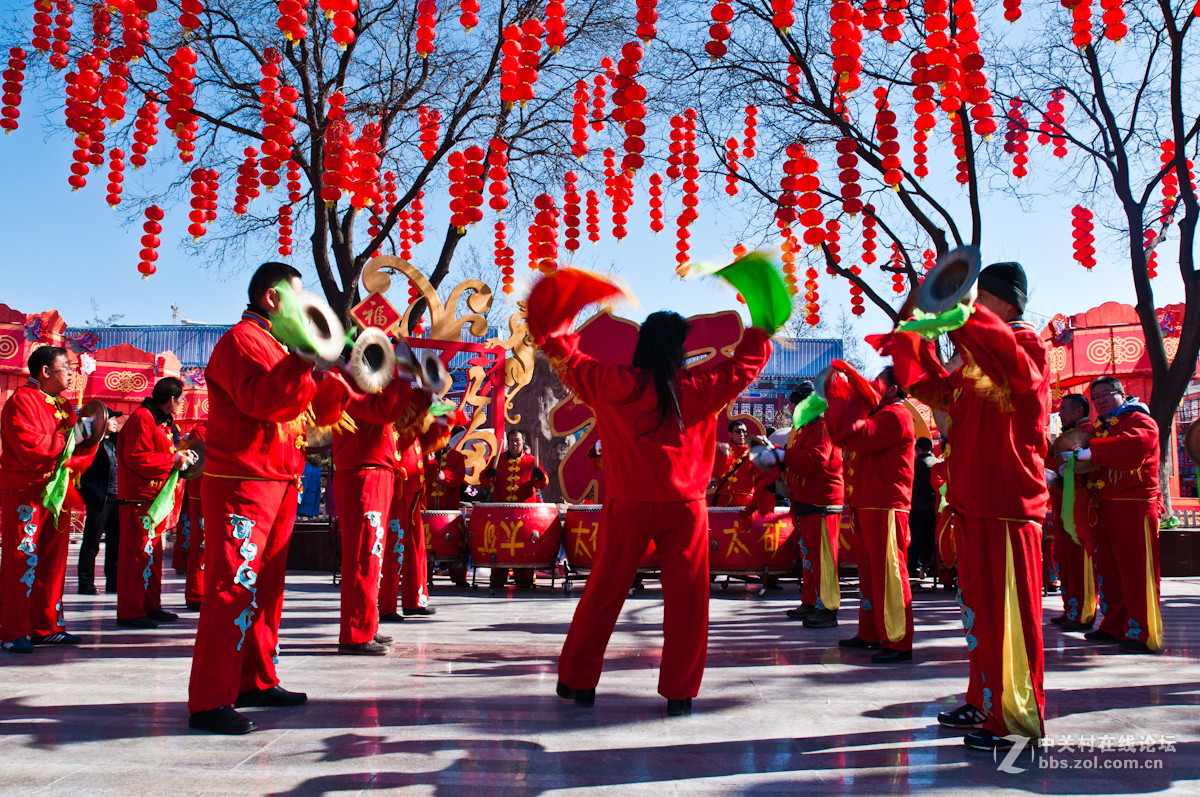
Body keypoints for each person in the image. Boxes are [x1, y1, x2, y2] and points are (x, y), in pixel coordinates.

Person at [542, 308, 773, 715]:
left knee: (603, 591)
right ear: (681, 349)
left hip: (628, 502)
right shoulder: (701, 385)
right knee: (688, 600)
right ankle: (680, 693)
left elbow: (569, 361)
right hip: (686, 508)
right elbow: (746, 364)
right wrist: (759, 328)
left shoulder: (615, 383)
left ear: (642, 345)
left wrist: (556, 323)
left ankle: (577, 681)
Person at [890, 260, 1050, 751]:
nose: (970, 309)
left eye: (978, 300)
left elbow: (1011, 365)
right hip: (973, 505)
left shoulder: (1027, 347)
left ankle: (1017, 719)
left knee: (1010, 618)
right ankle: (984, 699)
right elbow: (924, 382)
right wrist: (913, 319)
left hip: (1007, 507)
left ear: (1002, 304)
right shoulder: (975, 364)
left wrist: (956, 311)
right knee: (980, 615)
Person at [187, 262, 350, 735]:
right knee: (233, 584)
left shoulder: (275, 345)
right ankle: (210, 700)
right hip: (242, 479)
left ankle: (255, 678)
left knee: (267, 590)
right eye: (298, 298)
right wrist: (303, 357)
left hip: (278, 478)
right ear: (273, 299)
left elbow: (313, 409)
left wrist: (336, 371)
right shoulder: (242, 340)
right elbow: (263, 400)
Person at [0, 346, 93, 652]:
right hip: (28, 489)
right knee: (22, 557)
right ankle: (11, 630)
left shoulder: (66, 406)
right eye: (66, 367)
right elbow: (31, 446)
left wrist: (90, 436)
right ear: (45, 371)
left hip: (59, 490)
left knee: (54, 560)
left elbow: (75, 452)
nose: (71, 373)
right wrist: (70, 438)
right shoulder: (21, 401)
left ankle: (47, 625)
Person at [332, 370, 428, 654]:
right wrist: (402, 377)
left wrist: (419, 392)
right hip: (363, 472)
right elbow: (385, 410)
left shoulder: (362, 382)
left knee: (372, 555)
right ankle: (355, 633)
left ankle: (367, 626)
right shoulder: (348, 381)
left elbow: (400, 415)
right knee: (363, 556)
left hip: (377, 472)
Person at [827, 366, 916, 664]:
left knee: (889, 573)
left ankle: (898, 640)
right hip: (868, 502)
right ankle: (870, 632)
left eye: (878, 383)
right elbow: (845, 439)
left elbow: (859, 438)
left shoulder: (896, 415)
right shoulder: (882, 414)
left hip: (887, 504)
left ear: (892, 389)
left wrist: (852, 405)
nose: (872, 388)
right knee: (870, 575)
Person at [1078, 376, 1162, 654]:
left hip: (1133, 505)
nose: (1100, 400)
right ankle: (1114, 624)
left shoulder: (1140, 419)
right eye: (1096, 397)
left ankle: (1142, 631)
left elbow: (1135, 446)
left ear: (1121, 394)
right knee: (1110, 571)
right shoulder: (1100, 427)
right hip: (1104, 506)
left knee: (1136, 570)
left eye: (1105, 394)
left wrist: (1093, 452)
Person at [116, 377, 191, 629]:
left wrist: (180, 457)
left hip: (153, 499)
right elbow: (136, 457)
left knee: (151, 556)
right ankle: (130, 611)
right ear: (171, 399)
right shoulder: (142, 418)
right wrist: (173, 460)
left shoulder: (162, 421)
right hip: (139, 498)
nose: (183, 403)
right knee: (136, 556)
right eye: (182, 398)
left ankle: (150, 605)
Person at [781, 382, 845, 628]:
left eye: (796, 404)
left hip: (823, 501)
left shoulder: (823, 426)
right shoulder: (804, 428)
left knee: (824, 559)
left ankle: (828, 608)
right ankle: (810, 601)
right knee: (809, 557)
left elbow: (815, 460)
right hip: (806, 499)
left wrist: (782, 455)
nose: (793, 408)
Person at [380, 414, 449, 618]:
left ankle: (415, 600)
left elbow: (433, 437)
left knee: (415, 548)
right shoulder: (391, 421)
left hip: (415, 491)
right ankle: (387, 606)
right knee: (394, 550)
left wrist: (440, 413)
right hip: (397, 491)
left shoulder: (413, 425)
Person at [1046, 393, 1096, 631]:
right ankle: (1071, 609)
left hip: (1078, 504)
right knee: (1064, 558)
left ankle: (1084, 612)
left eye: (1064, 409)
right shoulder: (1066, 435)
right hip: (1061, 501)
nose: (1060, 412)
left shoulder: (1089, 434)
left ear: (1079, 411)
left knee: (1078, 558)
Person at [481, 428, 550, 589]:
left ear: (523, 442)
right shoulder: (498, 459)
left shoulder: (531, 460)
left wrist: (540, 476)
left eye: (517, 440)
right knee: (500, 547)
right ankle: (498, 576)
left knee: (524, 548)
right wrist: (488, 475)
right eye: (511, 440)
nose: (514, 443)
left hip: (525, 515)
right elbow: (485, 482)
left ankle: (525, 576)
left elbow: (543, 483)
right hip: (502, 512)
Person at [77, 408, 123, 595]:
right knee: (92, 542)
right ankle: (86, 583)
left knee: (115, 543)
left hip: (118, 497)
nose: (115, 422)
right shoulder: (91, 443)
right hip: (99, 498)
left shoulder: (118, 441)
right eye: (112, 419)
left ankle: (114, 582)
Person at [909, 437, 938, 579]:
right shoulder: (939, 463)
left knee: (915, 540)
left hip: (918, 508)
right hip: (935, 508)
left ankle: (914, 567)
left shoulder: (915, 465)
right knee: (932, 540)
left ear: (918, 449)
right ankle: (934, 566)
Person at [710, 420, 758, 507]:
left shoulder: (754, 453)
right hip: (724, 502)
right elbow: (716, 473)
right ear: (730, 434)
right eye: (738, 431)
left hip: (745, 501)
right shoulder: (721, 452)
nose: (742, 434)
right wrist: (725, 456)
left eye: (744, 431)